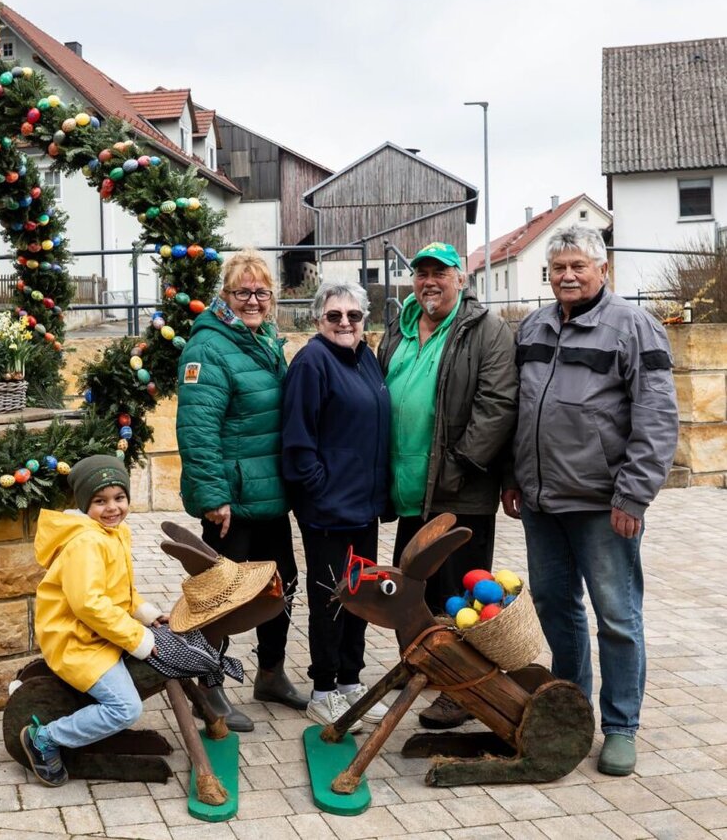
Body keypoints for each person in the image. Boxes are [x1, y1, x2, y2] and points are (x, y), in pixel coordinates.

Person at [502, 225, 678, 777]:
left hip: (604, 506)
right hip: (541, 503)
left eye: (579, 265)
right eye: (559, 268)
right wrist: (513, 476)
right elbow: (519, 410)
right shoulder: (533, 325)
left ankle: (621, 726)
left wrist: (634, 495)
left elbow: (657, 418)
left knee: (618, 617)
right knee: (556, 608)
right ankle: (570, 708)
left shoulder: (634, 327)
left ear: (604, 270)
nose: (568, 275)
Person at [377, 242, 518, 729]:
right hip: (411, 492)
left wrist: (458, 467)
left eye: (441, 272)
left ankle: (462, 691)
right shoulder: (397, 332)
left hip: (459, 492)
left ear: (462, 278)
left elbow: (497, 405)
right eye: (421, 273)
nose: (429, 281)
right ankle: (423, 665)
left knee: (461, 598)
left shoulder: (486, 331)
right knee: (412, 594)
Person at [176, 248, 305, 730]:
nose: (253, 299)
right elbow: (196, 426)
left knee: (281, 584)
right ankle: (208, 689)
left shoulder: (266, 339)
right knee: (222, 595)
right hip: (233, 500)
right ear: (225, 295)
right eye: (243, 291)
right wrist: (212, 497)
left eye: (262, 292)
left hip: (270, 494)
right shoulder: (208, 347)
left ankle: (270, 673)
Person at [281, 281, 392, 729]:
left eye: (353, 315)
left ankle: (350, 681)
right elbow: (297, 441)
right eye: (334, 315)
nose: (345, 322)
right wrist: (320, 490)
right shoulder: (312, 362)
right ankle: (323, 689)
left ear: (365, 320)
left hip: (363, 508)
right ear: (317, 319)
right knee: (331, 599)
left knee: (360, 596)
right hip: (329, 512)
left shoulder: (365, 357)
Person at [20, 455, 167, 787]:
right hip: (77, 642)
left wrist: (147, 614)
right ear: (85, 504)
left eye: (119, 498)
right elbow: (90, 604)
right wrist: (138, 638)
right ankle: (44, 738)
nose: (112, 508)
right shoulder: (86, 543)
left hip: (99, 634)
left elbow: (121, 591)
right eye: (100, 501)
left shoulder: (115, 532)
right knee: (125, 709)